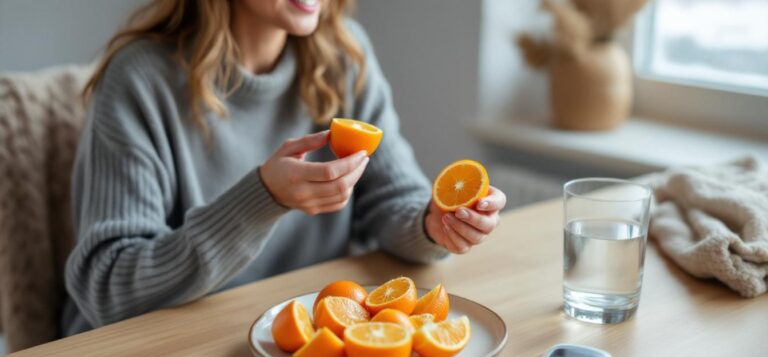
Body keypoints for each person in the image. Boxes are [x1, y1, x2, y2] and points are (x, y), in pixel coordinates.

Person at [63, 0, 507, 335]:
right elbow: (109, 287)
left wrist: (433, 223)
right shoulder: (139, 80)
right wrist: (262, 199)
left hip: (292, 344)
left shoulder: (345, 58)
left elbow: (392, 200)